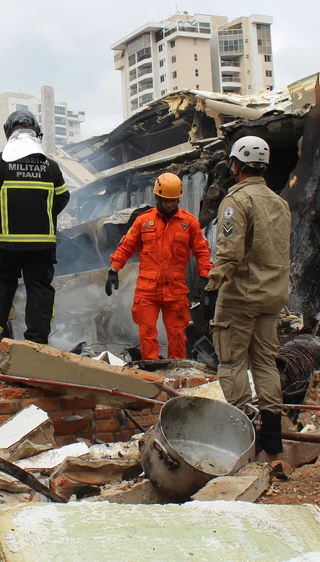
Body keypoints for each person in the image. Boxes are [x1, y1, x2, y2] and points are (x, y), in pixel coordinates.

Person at [206, 136, 291, 456]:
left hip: (241, 295)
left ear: (236, 165)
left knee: (231, 363)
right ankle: (272, 435)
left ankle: (244, 432)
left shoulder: (236, 201)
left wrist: (212, 284)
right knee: (266, 363)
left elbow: (229, 253)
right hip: (273, 297)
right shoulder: (280, 203)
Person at [0, 110, 69, 345]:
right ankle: (36, 344)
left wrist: (5, 215)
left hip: (7, 243)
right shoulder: (51, 167)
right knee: (39, 289)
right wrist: (42, 215)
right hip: (42, 245)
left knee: (3, 284)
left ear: (9, 132)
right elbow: (62, 198)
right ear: (36, 132)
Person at [105, 173, 211, 361]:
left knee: (178, 336)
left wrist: (204, 277)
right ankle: (152, 374)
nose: (170, 204)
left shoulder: (189, 223)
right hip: (148, 290)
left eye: (173, 201)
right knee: (147, 334)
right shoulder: (143, 221)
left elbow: (202, 252)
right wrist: (114, 269)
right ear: (158, 198)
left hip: (176, 290)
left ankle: (176, 373)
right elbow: (126, 246)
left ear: (178, 199)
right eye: (166, 201)